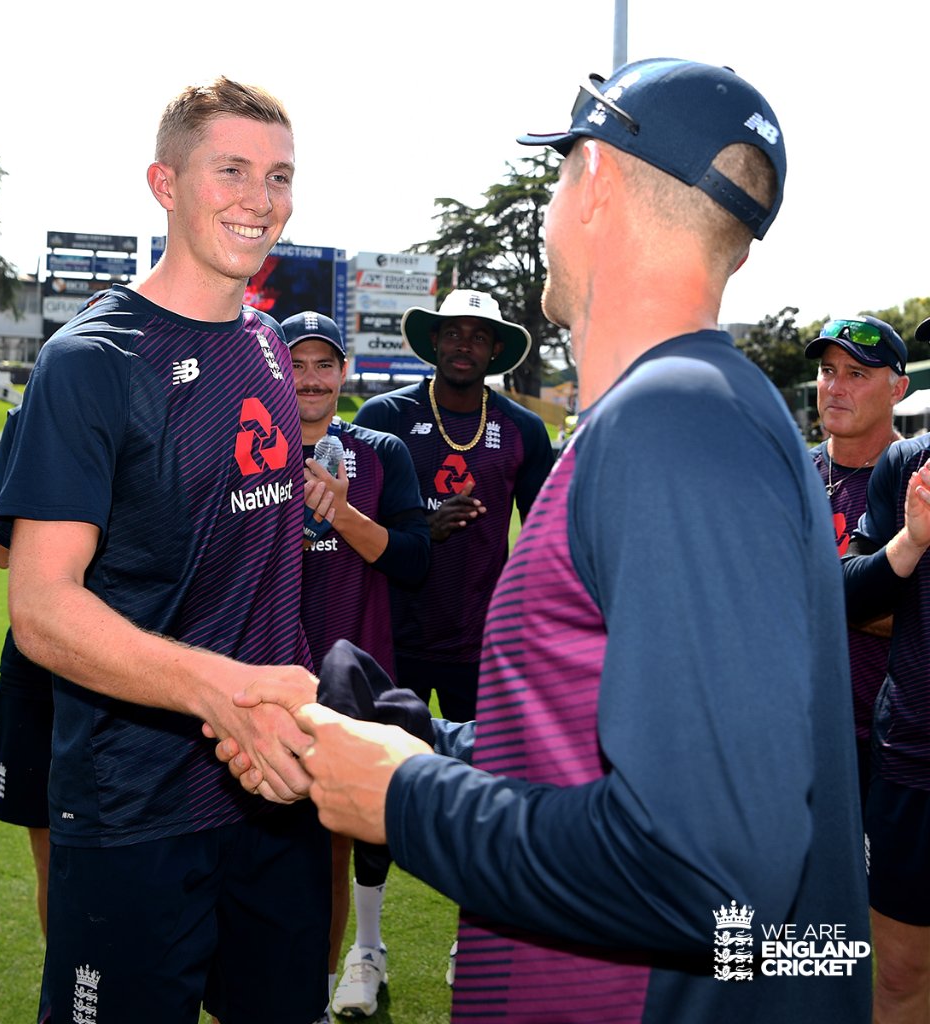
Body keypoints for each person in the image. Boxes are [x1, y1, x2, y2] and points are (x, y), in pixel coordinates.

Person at [233, 58, 873, 1021]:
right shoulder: (687, 414)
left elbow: (715, 877)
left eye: (559, 170)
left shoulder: (681, 425)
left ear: (599, 183)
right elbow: (619, 754)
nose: (547, 210)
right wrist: (427, 740)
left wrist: (406, 799)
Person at [0, 77, 329, 1024]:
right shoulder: (94, 362)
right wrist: (221, 693)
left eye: (280, 176)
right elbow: (43, 606)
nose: (261, 200)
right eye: (232, 170)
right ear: (164, 184)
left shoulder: (265, 343)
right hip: (137, 807)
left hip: (272, 791)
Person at [282, 310, 430, 1021]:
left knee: (341, 841)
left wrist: (340, 514)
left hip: (351, 669)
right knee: (269, 851)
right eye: (297, 362)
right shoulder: (246, 443)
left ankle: (348, 967)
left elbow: (413, 560)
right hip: (268, 676)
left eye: (323, 364)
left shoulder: (380, 453)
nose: (310, 379)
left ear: (344, 372)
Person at [353, 288, 554, 723]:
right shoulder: (385, 416)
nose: (464, 345)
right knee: (384, 767)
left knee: (478, 771)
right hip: (390, 632)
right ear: (435, 342)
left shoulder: (525, 429)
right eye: (453, 333)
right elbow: (352, 525)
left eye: (479, 337)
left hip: (480, 640)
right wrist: (424, 529)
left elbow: (543, 541)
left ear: (496, 349)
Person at [842, 420, 930, 1023]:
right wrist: (912, 541)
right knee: (898, 976)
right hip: (911, 760)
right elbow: (848, 596)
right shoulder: (907, 463)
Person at [805, 314, 909, 806]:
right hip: (792, 729)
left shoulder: (916, 483)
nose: (835, 387)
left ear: (898, 389)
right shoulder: (790, 470)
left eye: (857, 374)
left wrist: (817, 594)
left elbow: (916, 614)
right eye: (828, 370)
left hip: (887, 742)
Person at [0, 406, 54, 942]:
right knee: (50, 847)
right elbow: (0, 551)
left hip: (137, 659)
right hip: (40, 658)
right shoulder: (28, 417)